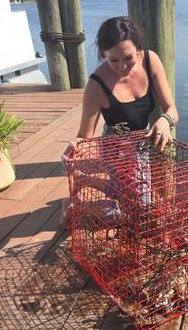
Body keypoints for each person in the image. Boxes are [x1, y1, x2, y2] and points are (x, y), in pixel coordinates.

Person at [60, 16, 179, 229]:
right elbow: (84, 136)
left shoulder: (151, 61)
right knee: (127, 214)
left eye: (128, 58)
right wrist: (74, 147)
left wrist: (164, 120)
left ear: (138, 48)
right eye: (113, 60)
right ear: (103, 54)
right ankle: (76, 205)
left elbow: (172, 110)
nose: (122, 66)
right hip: (115, 149)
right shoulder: (96, 85)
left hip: (143, 144)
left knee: (144, 207)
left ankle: (86, 180)